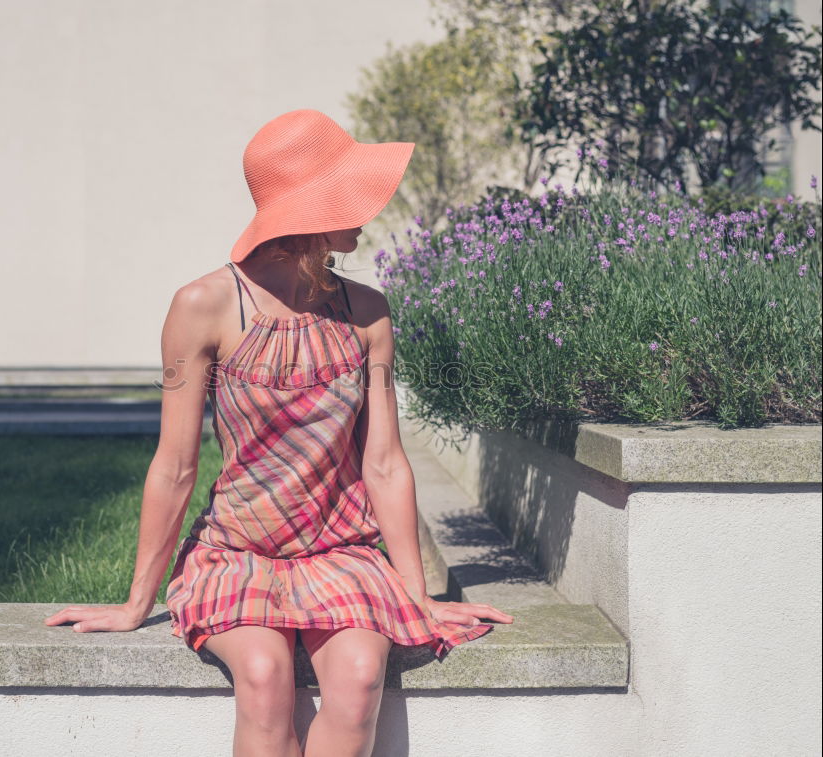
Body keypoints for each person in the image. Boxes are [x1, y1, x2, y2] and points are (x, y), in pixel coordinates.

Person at [45, 109, 514, 756]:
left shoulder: (369, 312)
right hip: (237, 552)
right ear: (308, 209)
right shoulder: (201, 307)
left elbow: (384, 463)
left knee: (357, 681)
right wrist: (134, 604)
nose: (368, 209)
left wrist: (419, 597)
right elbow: (175, 466)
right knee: (263, 679)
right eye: (349, 193)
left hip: (342, 552)